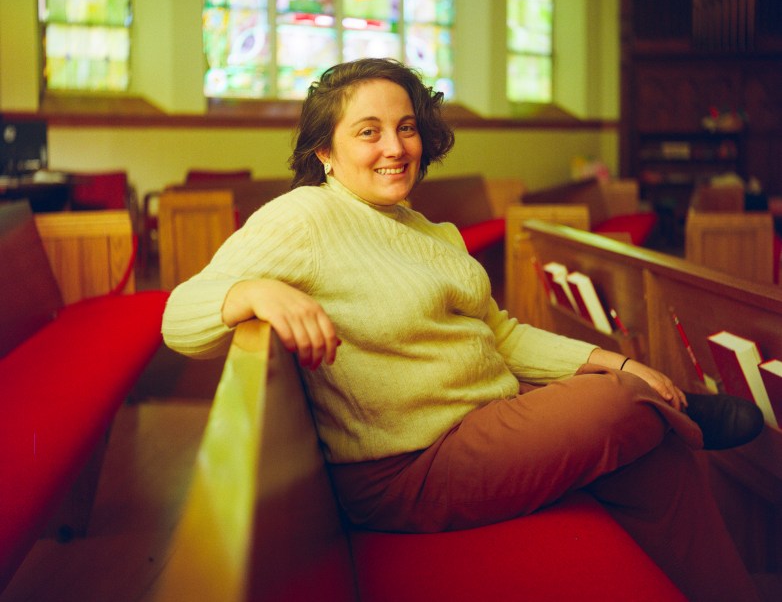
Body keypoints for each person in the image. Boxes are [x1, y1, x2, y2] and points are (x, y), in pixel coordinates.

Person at [162, 58, 765, 601]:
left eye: (406, 127)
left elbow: (499, 334)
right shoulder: (306, 217)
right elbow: (178, 319)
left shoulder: (431, 231)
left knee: (657, 456)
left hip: (485, 421)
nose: (394, 147)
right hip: (410, 467)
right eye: (368, 132)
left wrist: (619, 361)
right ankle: (683, 408)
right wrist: (252, 290)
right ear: (325, 152)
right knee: (622, 406)